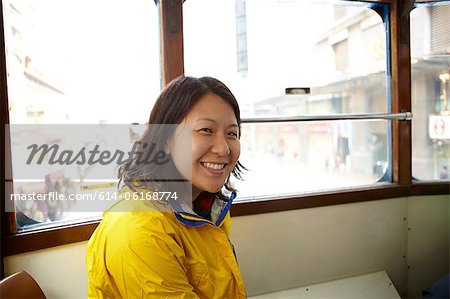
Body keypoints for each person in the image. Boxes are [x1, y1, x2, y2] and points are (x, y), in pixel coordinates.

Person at [86, 76, 247, 298]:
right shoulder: (140, 229)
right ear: (165, 140)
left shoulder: (206, 205)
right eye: (206, 130)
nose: (223, 149)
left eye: (232, 133)